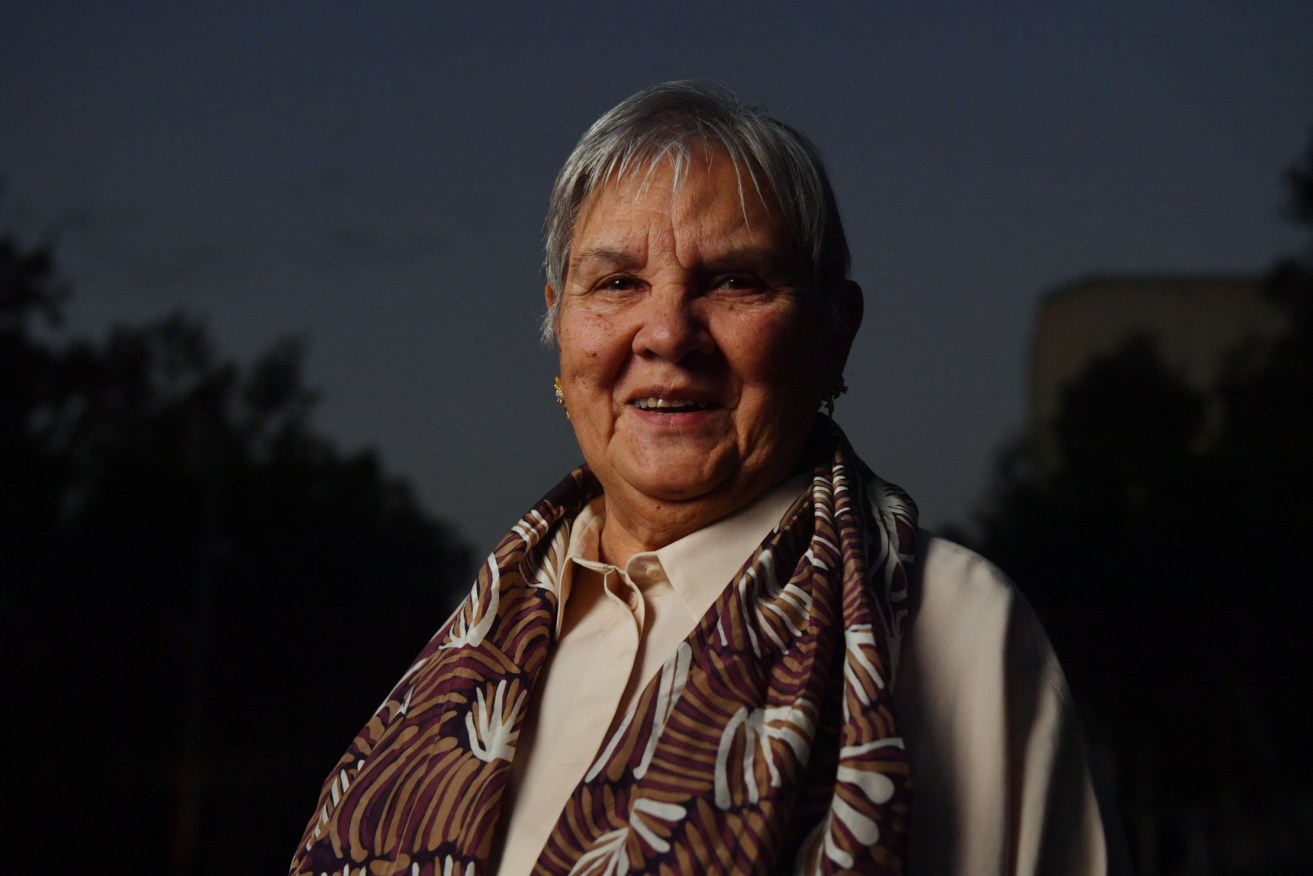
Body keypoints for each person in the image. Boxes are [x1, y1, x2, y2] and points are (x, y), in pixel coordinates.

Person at [289, 81, 1123, 875]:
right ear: (560, 325)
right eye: (616, 283)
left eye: (734, 281)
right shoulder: (478, 643)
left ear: (834, 332)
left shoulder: (950, 626)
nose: (665, 333)